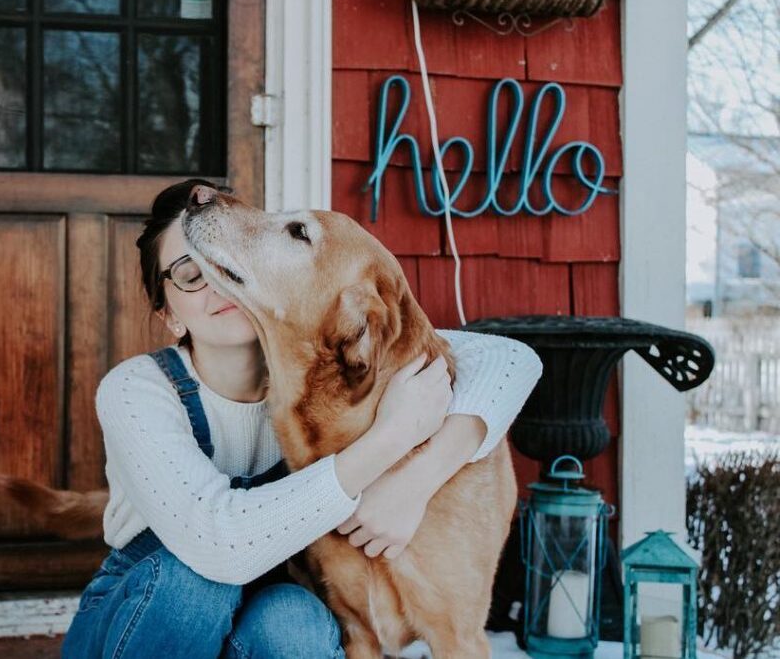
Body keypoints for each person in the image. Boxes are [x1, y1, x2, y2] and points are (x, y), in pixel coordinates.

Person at [61, 180, 543, 659]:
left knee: (298, 617)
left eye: (220, 260)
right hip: (149, 612)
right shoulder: (137, 390)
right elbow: (219, 547)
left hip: (253, 607)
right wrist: (396, 435)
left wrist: (420, 475)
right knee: (192, 582)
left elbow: (510, 359)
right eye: (191, 272)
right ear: (170, 317)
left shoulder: (308, 382)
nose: (215, 280)